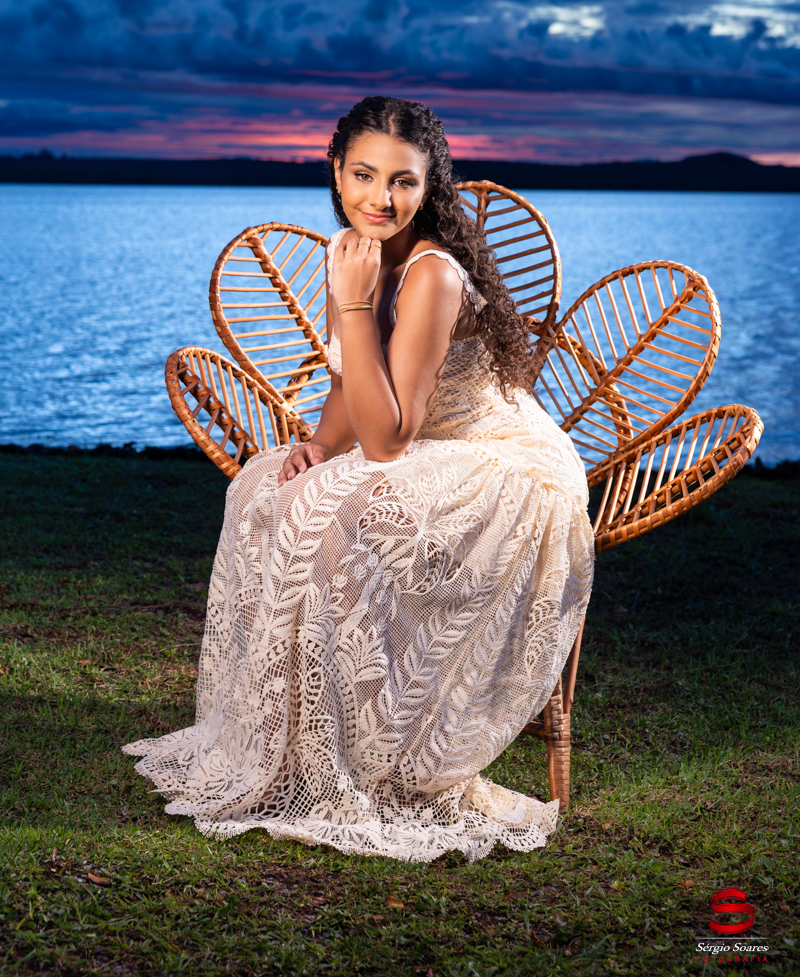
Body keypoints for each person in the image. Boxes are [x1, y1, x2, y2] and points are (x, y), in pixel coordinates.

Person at [124, 96, 594, 862]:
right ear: (337, 174)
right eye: (365, 176)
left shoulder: (434, 272)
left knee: (347, 513)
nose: (381, 197)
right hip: (418, 441)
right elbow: (353, 384)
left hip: (502, 461)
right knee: (266, 487)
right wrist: (315, 443)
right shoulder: (358, 251)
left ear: (429, 187)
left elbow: (388, 437)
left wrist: (348, 300)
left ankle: (368, 745)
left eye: (404, 181)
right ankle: (289, 739)